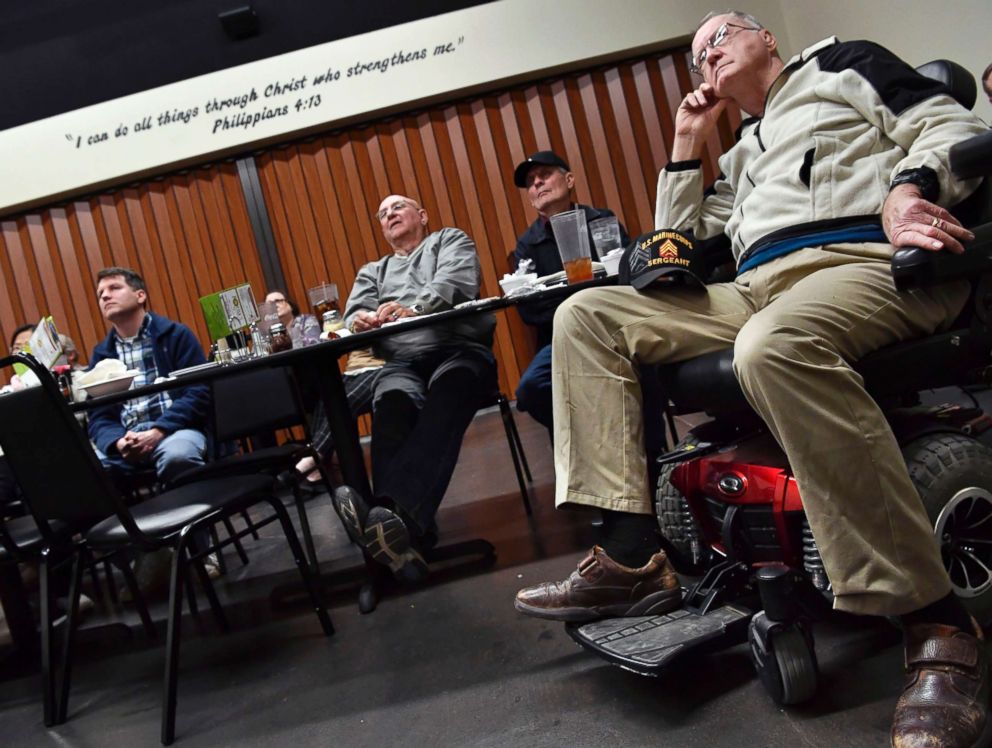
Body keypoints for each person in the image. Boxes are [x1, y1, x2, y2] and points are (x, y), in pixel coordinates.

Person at [514, 11, 989, 747]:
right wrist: (685, 147)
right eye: (698, 53)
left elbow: (945, 127)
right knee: (587, 316)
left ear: (767, 39)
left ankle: (936, 625)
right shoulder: (741, 150)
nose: (708, 53)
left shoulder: (843, 67)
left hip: (865, 262)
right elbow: (671, 249)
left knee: (769, 348)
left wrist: (907, 190)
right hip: (756, 286)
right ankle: (635, 556)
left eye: (722, 35)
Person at [332, 194, 497, 582]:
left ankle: (391, 517)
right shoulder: (373, 271)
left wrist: (414, 308)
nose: (388, 214)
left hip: (458, 350)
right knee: (390, 413)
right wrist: (362, 321)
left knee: (442, 406)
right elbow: (352, 313)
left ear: (422, 216)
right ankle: (403, 539)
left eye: (397, 208)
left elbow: (456, 281)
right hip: (402, 362)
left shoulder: (449, 241)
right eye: (382, 213)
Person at [511, 151, 629, 434]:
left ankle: (648, 451)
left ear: (569, 179)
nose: (537, 184)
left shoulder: (602, 221)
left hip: (610, 325)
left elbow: (624, 276)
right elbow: (529, 310)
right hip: (561, 338)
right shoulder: (527, 244)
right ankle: (587, 437)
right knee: (531, 389)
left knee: (642, 368)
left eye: (544, 175)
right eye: (530, 181)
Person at [87, 267, 210, 485]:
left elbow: (198, 392)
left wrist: (158, 431)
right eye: (100, 293)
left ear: (140, 295)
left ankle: (189, 519)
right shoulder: (101, 355)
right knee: (83, 474)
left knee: (178, 458)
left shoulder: (175, 335)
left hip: (174, 431)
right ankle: (133, 520)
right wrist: (118, 443)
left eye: (114, 287)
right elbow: (99, 415)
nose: (105, 295)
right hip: (126, 440)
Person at [292, 348, 385, 490]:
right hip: (355, 367)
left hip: (382, 364)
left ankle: (315, 456)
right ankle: (322, 466)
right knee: (326, 399)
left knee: (344, 401)